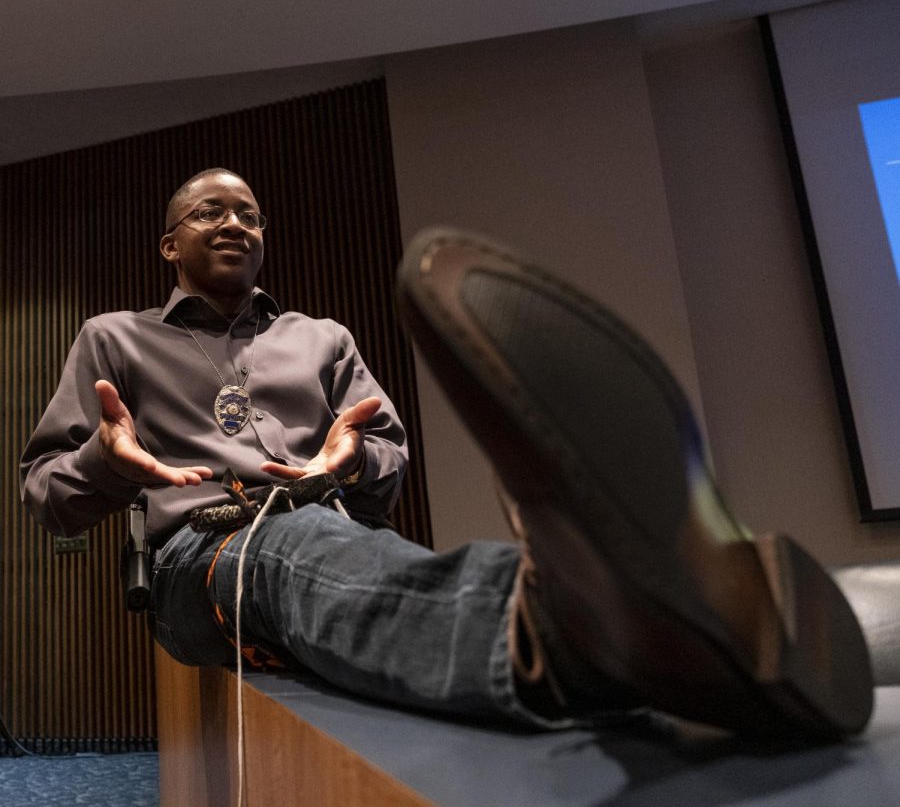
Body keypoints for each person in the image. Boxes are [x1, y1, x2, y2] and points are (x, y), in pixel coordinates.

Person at [20, 168, 873, 740]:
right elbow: (44, 491)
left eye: (249, 212)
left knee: (385, 566)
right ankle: (571, 629)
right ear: (170, 244)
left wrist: (348, 464)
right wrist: (105, 460)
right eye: (212, 211)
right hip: (198, 559)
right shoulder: (114, 339)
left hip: (329, 529)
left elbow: (386, 454)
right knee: (291, 554)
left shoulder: (320, 338)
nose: (236, 221)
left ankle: (701, 633)